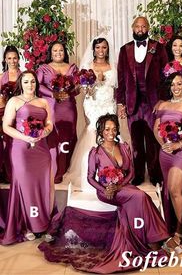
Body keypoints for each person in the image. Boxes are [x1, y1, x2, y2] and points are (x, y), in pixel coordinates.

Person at [39, 114, 169, 273]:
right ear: (101, 131)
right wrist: (104, 189)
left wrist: (119, 185)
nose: (111, 132)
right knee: (140, 196)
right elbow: (90, 178)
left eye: (114, 129)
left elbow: (131, 173)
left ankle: (146, 240)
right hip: (105, 192)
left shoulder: (124, 147)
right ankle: (157, 239)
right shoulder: (96, 152)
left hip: (122, 187)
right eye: (107, 129)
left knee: (140, 196)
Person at [0, 70, 54, 244]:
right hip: (20, 149)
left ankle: (42, 224)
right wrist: (26, 138)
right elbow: (6, 127)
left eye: (32, 82)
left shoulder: (44, 102)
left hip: (41, 149)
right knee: (25, 185)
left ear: (36, 84)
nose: (30, 85)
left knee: (42, 184)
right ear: (20, 84)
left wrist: (43, 132)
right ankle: (27, 225)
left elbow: (50, 124)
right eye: (26, 82)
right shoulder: (14, 101)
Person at [116, 16, 168, 186]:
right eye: (137, 26)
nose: (140, 29)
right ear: (132, 28)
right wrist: (120, 103)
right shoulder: (125, 50)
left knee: (153, 140)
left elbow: (166, 75)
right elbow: (121, 79)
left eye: (143, 26)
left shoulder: (158, 48)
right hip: (133, 103)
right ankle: (138, 174)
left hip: (152, 102)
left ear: (148, 28)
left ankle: (154, 175)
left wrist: (163, 100)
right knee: (136, 141)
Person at [153, 72, 182, 252]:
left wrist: (179, 143)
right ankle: (172, 227)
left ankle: (180, 234)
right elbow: (156, 128)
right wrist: (163, 145)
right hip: (165, 152)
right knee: (170, 191)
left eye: (179, 84)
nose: (176, 87)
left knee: (174, 189)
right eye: (173, 84)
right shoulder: (162, 104)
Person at [64, 37, 117, 190]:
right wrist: (93, 83)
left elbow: (117, 86)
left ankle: (109, 169)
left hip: (109, 103)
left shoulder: (113, 65)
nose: (101, 50)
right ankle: (90, 171)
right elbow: (83, 89)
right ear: (93, 49)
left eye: (104, 48)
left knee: (110, 131)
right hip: (93, 103)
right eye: (98, 47)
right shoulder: (88, 66)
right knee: (94, 130)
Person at [36, 41, 79, 183]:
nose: (58, 53)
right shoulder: (44, 68)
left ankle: (66, 167)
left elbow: (77, 87)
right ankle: (55, 170)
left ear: (65, 52)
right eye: (55, 50)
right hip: (51, 107)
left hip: (68, 108)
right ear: (51, 52)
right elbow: (38, 85)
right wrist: (52, 94)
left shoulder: (72, 68)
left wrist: (71, 92)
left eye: (61, 50)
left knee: (68, 136)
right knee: (54, 137)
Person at [0, 45, 21, 183]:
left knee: (17, 143)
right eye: (9, 58)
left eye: (14, 58)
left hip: (19, 113)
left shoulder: (24, 75)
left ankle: (17, 172)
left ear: (18, 59)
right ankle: (5, 173)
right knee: (5, 143)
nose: (12, 61)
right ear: (5, 60)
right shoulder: (1, 77)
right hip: (3, 112)